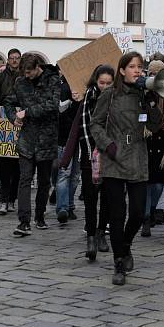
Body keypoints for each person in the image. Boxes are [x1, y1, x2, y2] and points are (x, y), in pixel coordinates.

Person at [90, 51, 162, 286]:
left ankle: (126, 244)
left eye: (140, 67)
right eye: (132, 67)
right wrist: (107, 144)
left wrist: (152, 101)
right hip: (114, 158)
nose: (137, 71)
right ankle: (118, 262)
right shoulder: (109, 95)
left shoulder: (144, 96)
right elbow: (95, 123)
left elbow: (155, 124)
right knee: (117, 214)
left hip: (138, 158)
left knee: (139, 213)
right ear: (122, 70)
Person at [3, 54, 60, 237]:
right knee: (24, 179)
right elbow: (8, 102)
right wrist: (13, 118)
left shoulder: (53, 80)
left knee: (44, 182)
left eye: (30, 72)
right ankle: (24, 221)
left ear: (37, 67)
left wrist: (26, 113)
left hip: (47, 140)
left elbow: (52, 105)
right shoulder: (20, 82)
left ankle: (40, 215)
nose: (27, 76)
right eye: (24, 73)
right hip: (27, 140)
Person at [66, 64, 114, 261]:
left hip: (111, 152)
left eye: (108, 83)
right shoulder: (87, 98)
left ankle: (102, 231)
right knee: (91, 196)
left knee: (108, 196)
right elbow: (77, 124)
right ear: (96, 81)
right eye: (101, 82)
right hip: (89, 152)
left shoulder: (118, 98)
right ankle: (91, 237)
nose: (105, 86)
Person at [141, 59, 164, 238]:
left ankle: (153, 208)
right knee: (147, 183)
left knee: (159, 185)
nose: (155, 78)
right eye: (152, 74)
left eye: (158, 74)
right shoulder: (143, 93)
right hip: (147, 140)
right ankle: (146, 218)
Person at [0, 47, 22, 214]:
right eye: (12, 58)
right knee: (3, 166)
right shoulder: (1, 77)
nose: (14, 60)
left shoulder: (24, 77)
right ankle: (3, 200)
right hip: (3, 122)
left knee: (17, 166)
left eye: (17, 58)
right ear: (8, 60)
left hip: (19, 122)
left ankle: (12, 200)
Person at [55, 74, 81, 225]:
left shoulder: (86, 90)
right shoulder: (62, 88)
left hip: (79, 138)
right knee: (65, 173)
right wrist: (72, 100)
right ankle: (62, 208)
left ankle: (69, 205)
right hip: (65, 137)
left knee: (76, 175)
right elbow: (60, 112)